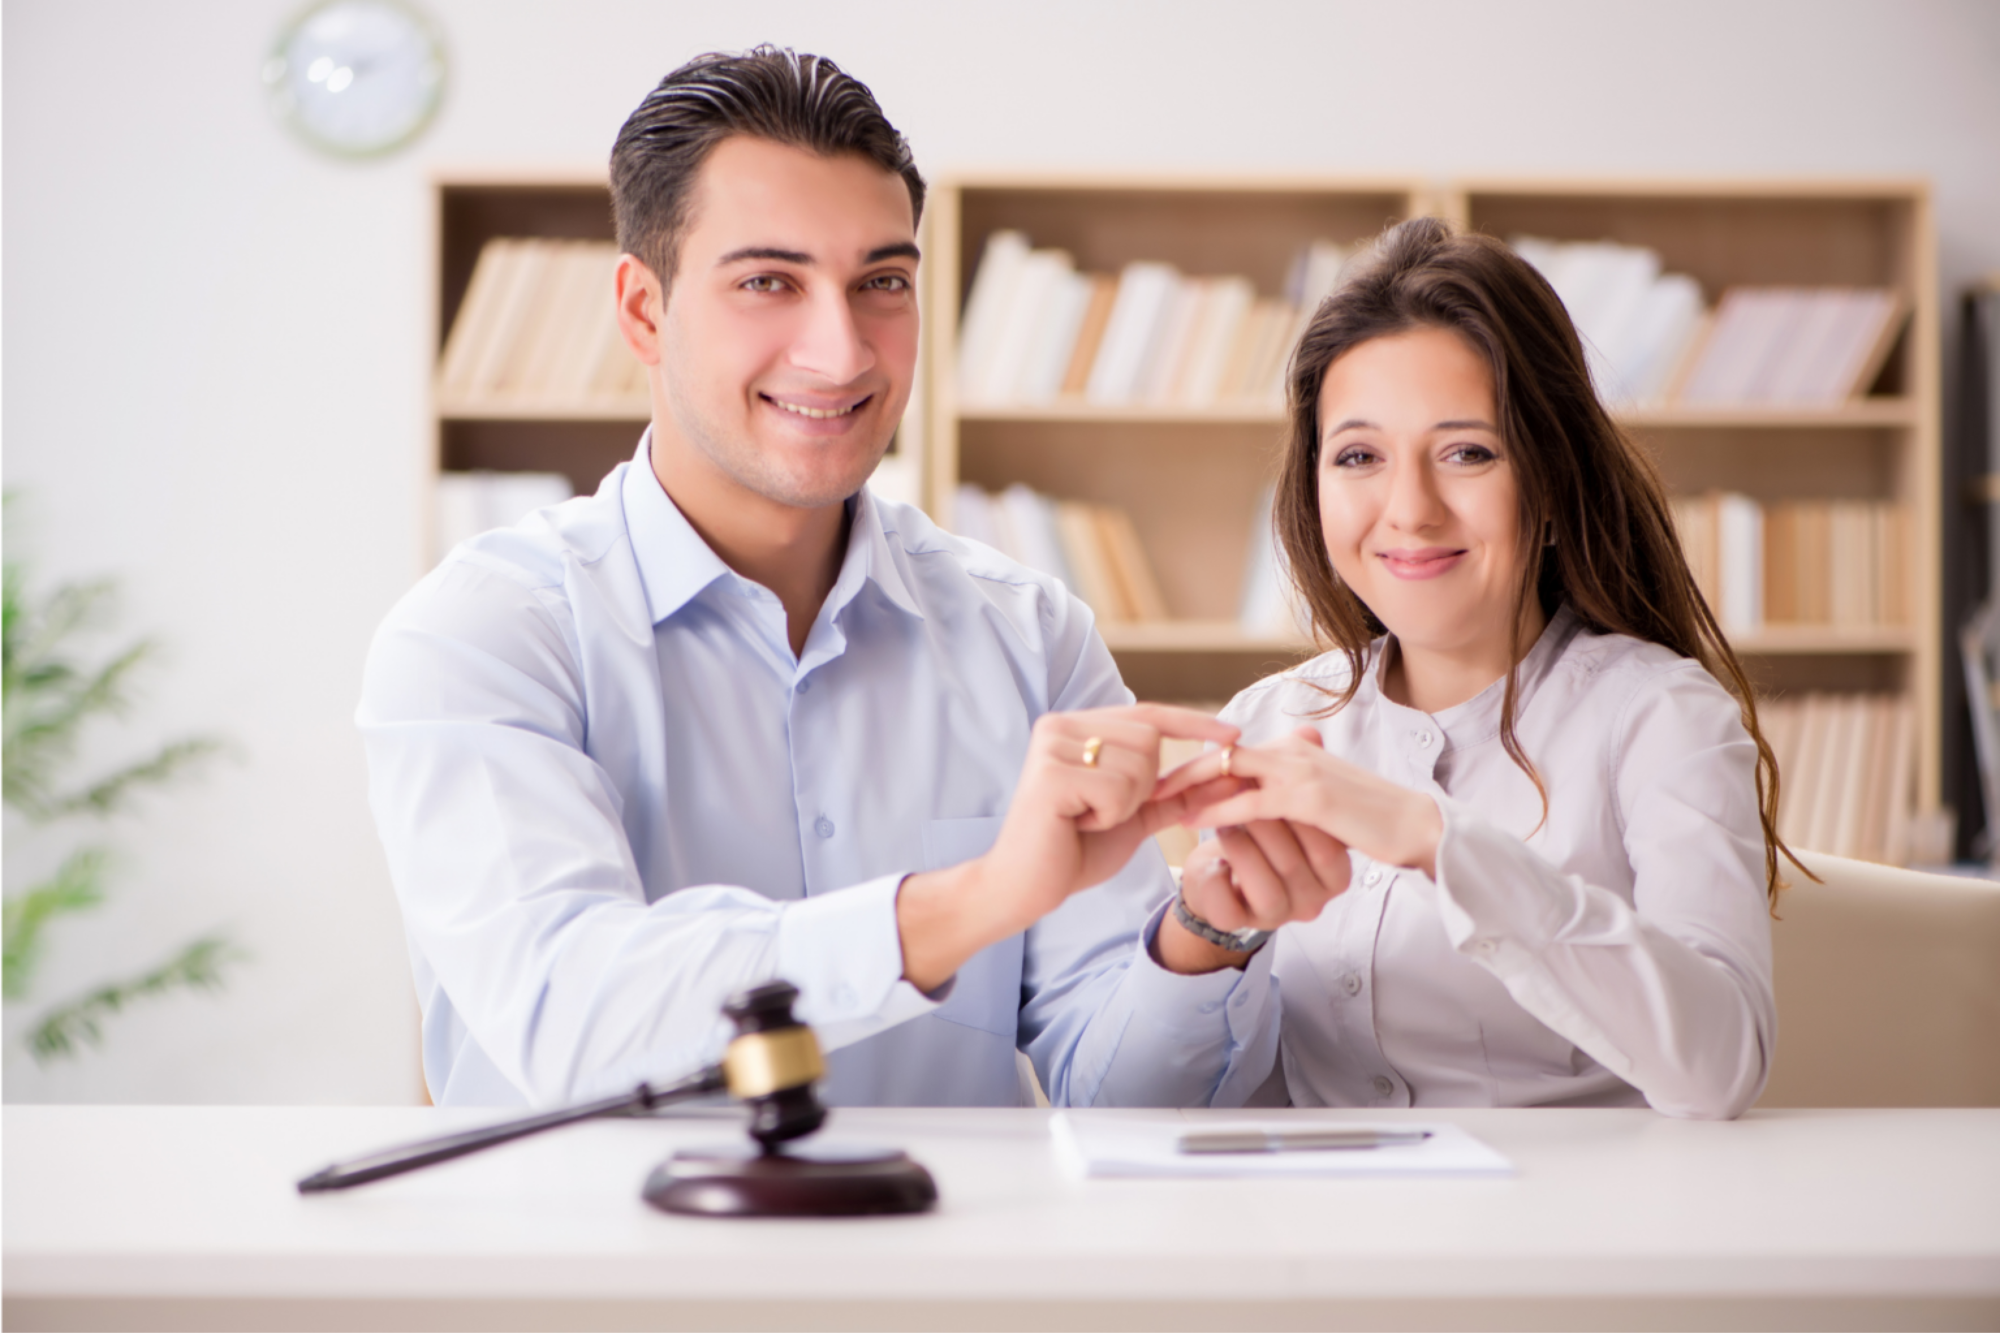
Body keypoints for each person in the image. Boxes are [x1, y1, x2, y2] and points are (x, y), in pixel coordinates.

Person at [357, 47, 1338, 1110]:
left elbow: (1121, 1102)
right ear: (643, 310)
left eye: (881, 283)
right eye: (767, 281)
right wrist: (971, 900)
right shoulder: (486, 633)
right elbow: (571, 1009)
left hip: (946, 1266)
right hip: (610, 1273)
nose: (839, 352)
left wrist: (1206, 931)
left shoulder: (1028, 635)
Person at [1153, 217, 1794, 1120]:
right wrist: (1203, 937)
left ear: (1553, 480)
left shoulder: (1661, 718)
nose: (1409, 509)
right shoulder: (1269, 721)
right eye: (1360, 457)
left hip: (1571, 1245)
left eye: (1467, 452)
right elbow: (1191, 1097)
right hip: (1319, 1247)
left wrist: (1438, 839)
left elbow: (1723, 1063)